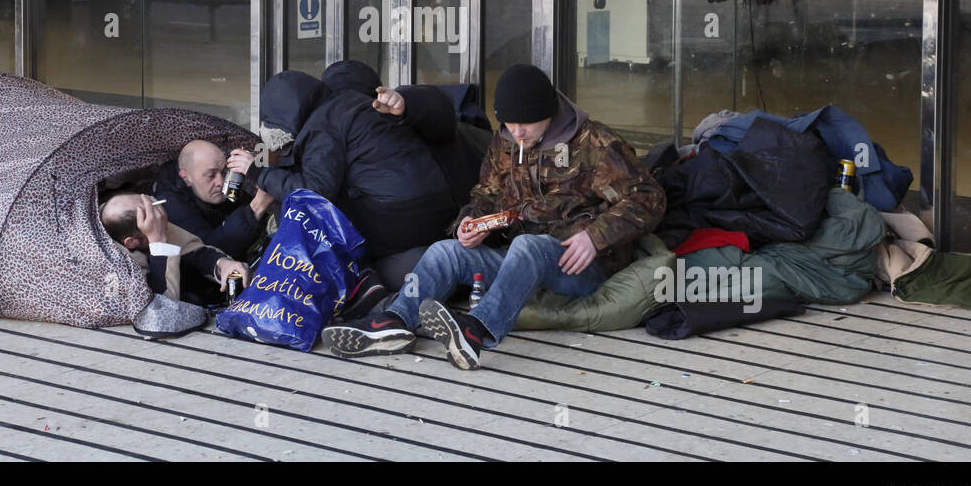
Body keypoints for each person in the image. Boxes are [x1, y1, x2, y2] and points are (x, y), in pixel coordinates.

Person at [321, 63, 667, 370]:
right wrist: (470, 224)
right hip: (522, 260)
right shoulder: (506, 144)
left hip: (581, 265)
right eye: (509, 122)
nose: (516, 132)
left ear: (549, 112)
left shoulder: (594, 142)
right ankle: (393, 321)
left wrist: (596, 237)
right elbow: (485, 194)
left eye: (525, 123)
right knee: (447, 251)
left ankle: (476, 332)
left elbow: (648, 197)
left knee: (529, 247)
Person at [225, 70, 464, 293]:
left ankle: (360, 287)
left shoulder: (322, 126)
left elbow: (315, 194)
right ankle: (364, 284)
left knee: (312, 215)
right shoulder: (346, 106)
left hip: (398, 216)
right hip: (433, 210)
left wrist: (258, 172)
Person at [100, 192, 248, 306]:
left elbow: (194, 252)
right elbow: (161, 307)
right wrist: (159, 243)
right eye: (153, 218)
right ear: (131, 242)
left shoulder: (146, 223)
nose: (161, 218)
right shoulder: (110, 262)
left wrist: (222, 264)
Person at [152, 139, 274, 260]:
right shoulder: (171, 206)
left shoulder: (227, 183)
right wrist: (256, 207)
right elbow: (210, 251)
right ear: (186, 177)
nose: (220, 182)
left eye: (223, 171)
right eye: (210, 175)